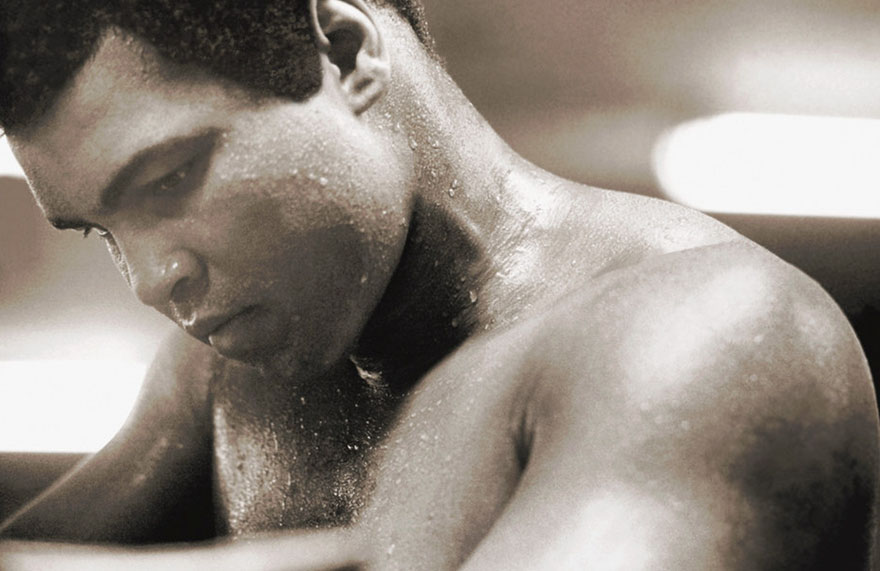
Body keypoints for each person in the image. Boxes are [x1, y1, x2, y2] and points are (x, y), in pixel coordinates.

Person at [0, 0, 878, 568]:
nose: (155, 279)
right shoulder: (229, 382)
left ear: (342, 52)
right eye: (99, 232)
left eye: (168, 179)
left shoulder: (714, 330)